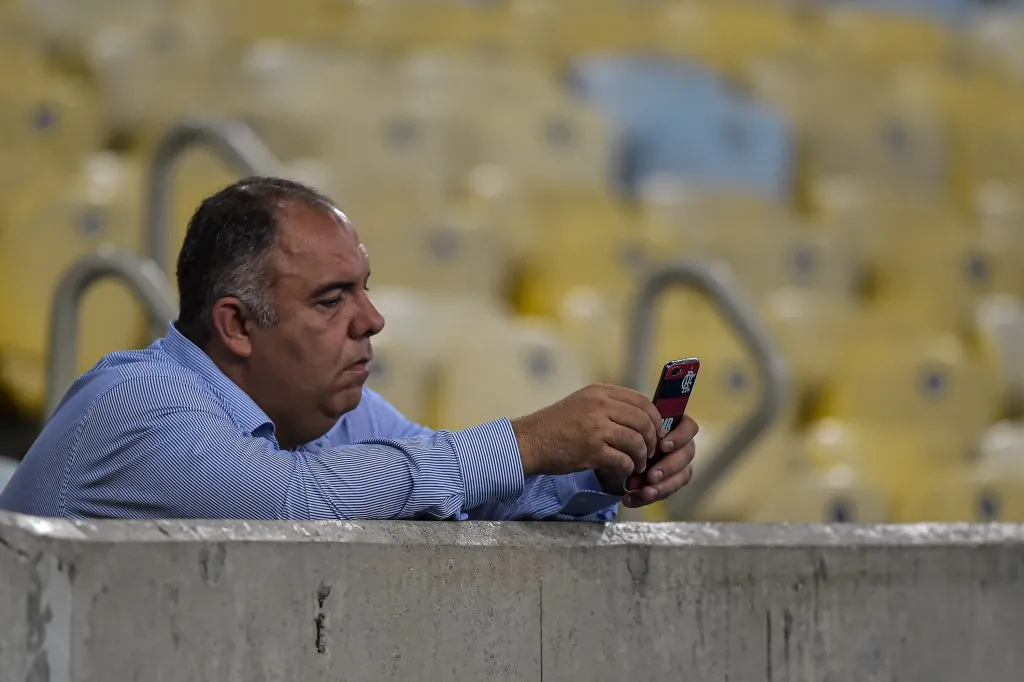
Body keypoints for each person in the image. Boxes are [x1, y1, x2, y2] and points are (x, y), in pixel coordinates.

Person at [0, 177, 698, 521]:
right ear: (237, 326)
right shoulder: (139, 401)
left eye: (364, 289)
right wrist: (527, 440)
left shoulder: (336, 414)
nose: (373, 320)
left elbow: (455, 501)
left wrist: (597, 472)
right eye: (332, 300)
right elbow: (299, 508)